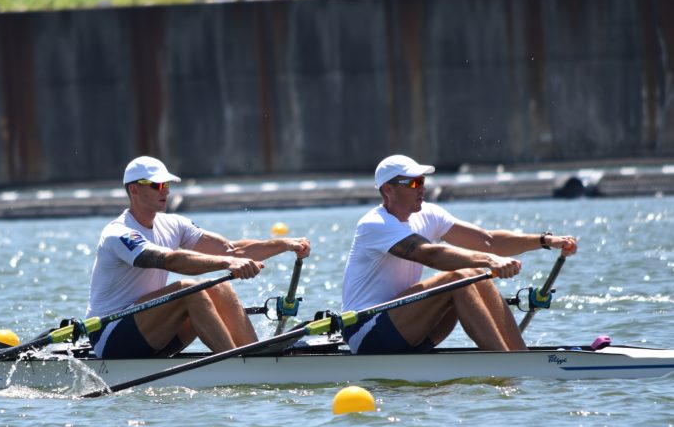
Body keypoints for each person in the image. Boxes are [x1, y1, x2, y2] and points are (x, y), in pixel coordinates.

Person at [340, 154, 578, 354]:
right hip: (366, 332)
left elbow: (487, 240)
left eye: (422, 181)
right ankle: (505, 365)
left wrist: (545, 240)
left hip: (403, 325)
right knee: (458, 278)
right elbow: (429, 254)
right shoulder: (374, 224)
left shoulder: (428, 214)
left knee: (473, 274)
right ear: (388, 189)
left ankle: (519, 356)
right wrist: (489, 260)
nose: (422, 188)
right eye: (413, 183)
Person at [86, 156, 311, 359]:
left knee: (217, 289)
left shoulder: (173, 224)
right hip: (110, 337)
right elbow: (170, 260)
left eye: (167, 185)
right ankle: (235, 364)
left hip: (151, 330)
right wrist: (227, 264)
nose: (165, 191)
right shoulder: (119, 233)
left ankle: (255, 355)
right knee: (189, 290)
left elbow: (230, 251)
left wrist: (283, 244)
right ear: (134, 189)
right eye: (157, 185)